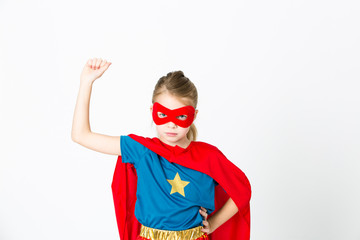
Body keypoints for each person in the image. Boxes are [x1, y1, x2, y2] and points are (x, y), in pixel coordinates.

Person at [71, 58, 252, 240]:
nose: (171, 124)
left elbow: (242, 189)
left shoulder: (208, 156)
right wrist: (86, 82)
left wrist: (213, 223)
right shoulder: (141, 150)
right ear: (152, 111)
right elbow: (81, 135)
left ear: (194, 115)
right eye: (163, 114)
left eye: (181, 116)